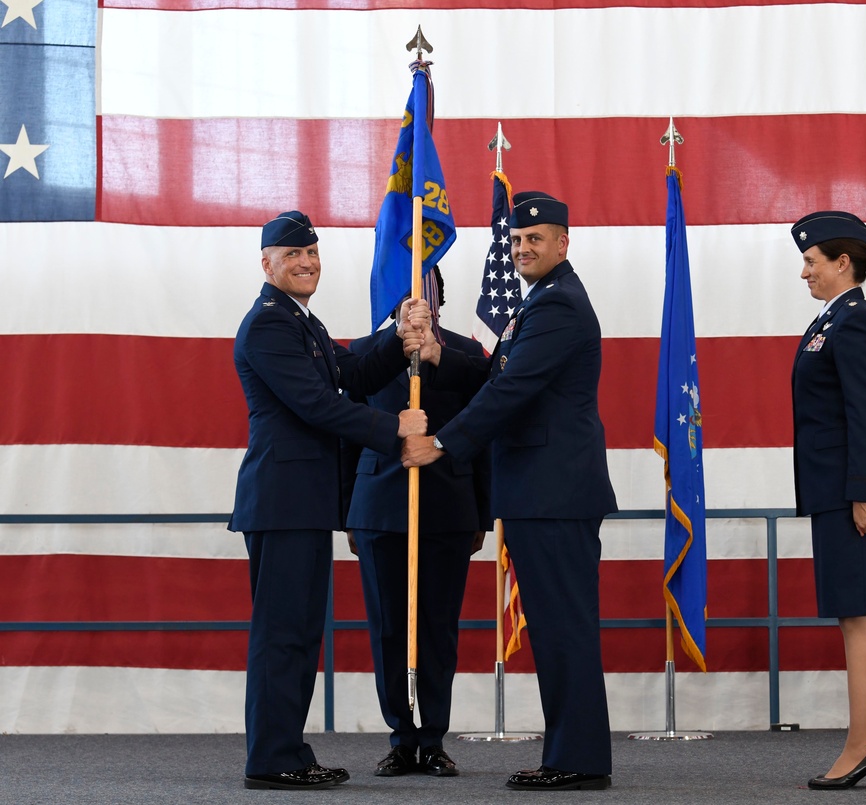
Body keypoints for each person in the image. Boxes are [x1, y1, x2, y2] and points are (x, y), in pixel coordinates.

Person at [402, 191, 617, 791]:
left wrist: (440, 445)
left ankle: (577, 759)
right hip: (537, 493)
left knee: (564, 626)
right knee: (554, 626)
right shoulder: (540, 303)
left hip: (554, 494)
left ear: (563, 243)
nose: (522, 248)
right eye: (516, 241)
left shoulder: (559, 307)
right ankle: (572, 753)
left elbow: (510, 392)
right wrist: (440, 354)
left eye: (535, 239)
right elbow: (500, 374)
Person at [228, 210, 429, 790]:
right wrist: (396, 428)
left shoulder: (301, 323)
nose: (306, 263)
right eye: (292, 255)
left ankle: (286, 749)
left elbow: (351, 373)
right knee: (282, 633)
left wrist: (398, 340)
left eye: (312, 253)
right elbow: (318, 405)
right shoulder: (269, 324)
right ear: (266, 264)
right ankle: (272, 759)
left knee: (298, 633)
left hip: (303, 501)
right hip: (283, 500)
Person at [345, 266, 491, 778]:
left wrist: (483, 512)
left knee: (437, 627)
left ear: (439, 300)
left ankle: (433, 739)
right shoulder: (362, 354)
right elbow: (346, 435)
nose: (413, 305)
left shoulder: (469, 355)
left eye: (423, 295)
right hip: (379, 509)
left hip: (450, 507)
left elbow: (487, 430)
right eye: (404, 296)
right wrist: (349, 514)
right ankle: (401, 739)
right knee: (389, 627)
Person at [790, 211, 866, 790]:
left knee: (859, 617)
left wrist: (863, 494)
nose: (803, 271)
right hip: (836, 490)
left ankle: (862, 745)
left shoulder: (854, 322)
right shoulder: (832, 320)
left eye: (811, 261)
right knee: (851, 615)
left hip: (854, 493)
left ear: (842, 263)